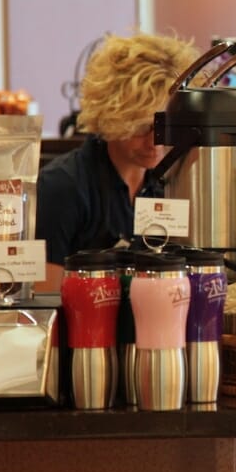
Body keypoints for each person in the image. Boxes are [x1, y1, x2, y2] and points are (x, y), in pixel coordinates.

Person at [35, 32, 199, 290]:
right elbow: (45, 301)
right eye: (141, 128)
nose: (154, 143)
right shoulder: (61, 189)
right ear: (112, 118)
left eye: (164, 129)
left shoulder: (168, 186)